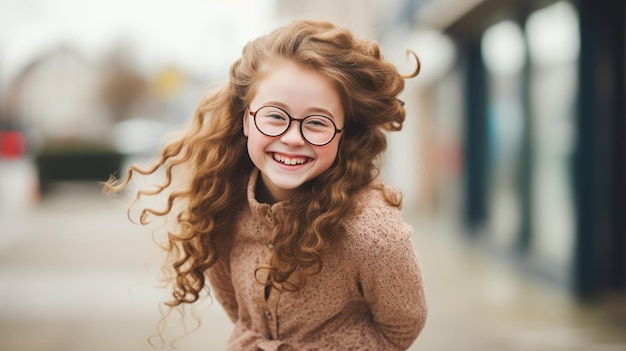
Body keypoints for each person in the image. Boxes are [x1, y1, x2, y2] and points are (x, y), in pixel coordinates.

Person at [105, 19, 427, 351]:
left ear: (344, 131)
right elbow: (243, 316)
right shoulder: (220, 204)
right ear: (247, 118)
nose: (292, 138)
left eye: (317, 122)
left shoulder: (374, 234)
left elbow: (401, 328)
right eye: (275, 115)